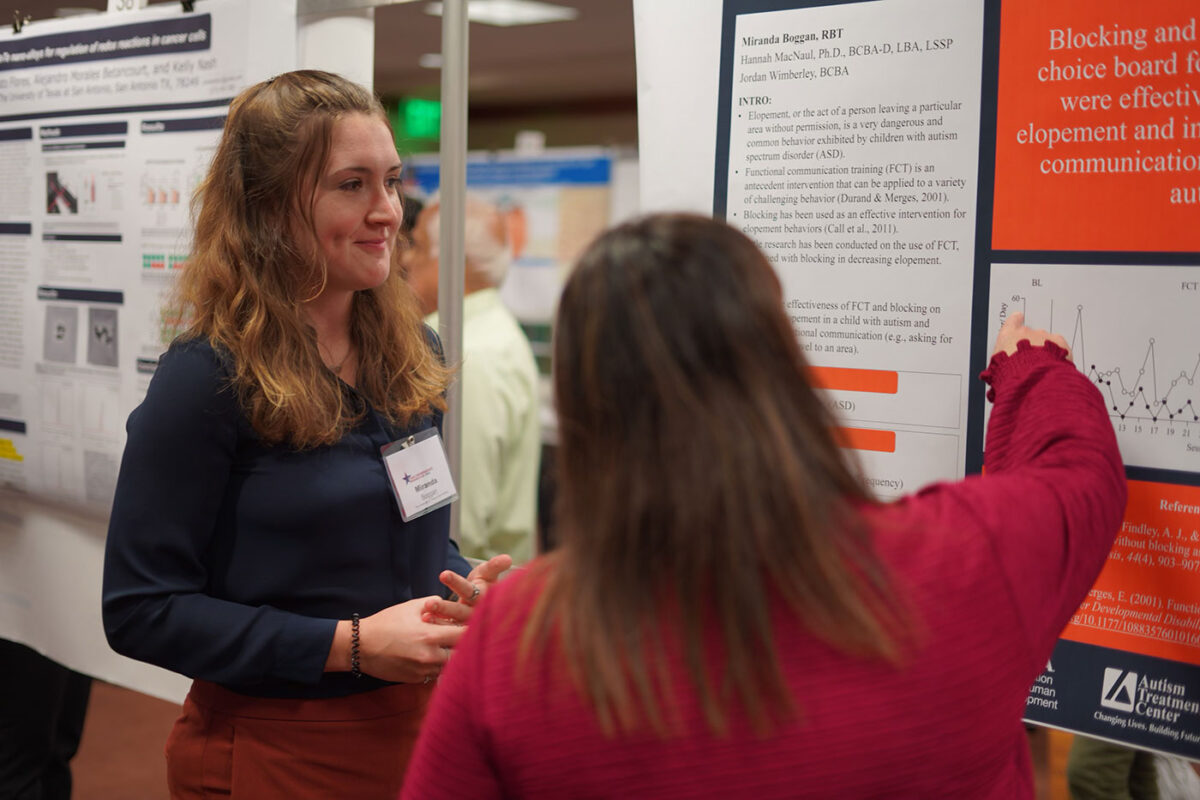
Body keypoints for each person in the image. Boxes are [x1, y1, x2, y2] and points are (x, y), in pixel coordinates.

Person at [402, 213, 1127, 798]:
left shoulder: (517, 639)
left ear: (591, 412)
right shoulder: (964, 558)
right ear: (782, 366)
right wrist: (1030, 370)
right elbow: (1082, 472)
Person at [101, 70, 508, 800]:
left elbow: (407, 527)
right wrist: (349, 646)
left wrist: (456, 583)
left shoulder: (417, 354)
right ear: (268, 209)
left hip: (421, 734)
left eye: (392, 181)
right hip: (274, 745)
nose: (389, 211)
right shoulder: (209, 378)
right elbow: (141, 609)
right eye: (351, 185)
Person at [405, 194, 541, 563]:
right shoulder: (495, 332)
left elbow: (458, 522)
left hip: (461, 589)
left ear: (451, 260)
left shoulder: (464, 353)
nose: (404, 259)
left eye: (416, 246)